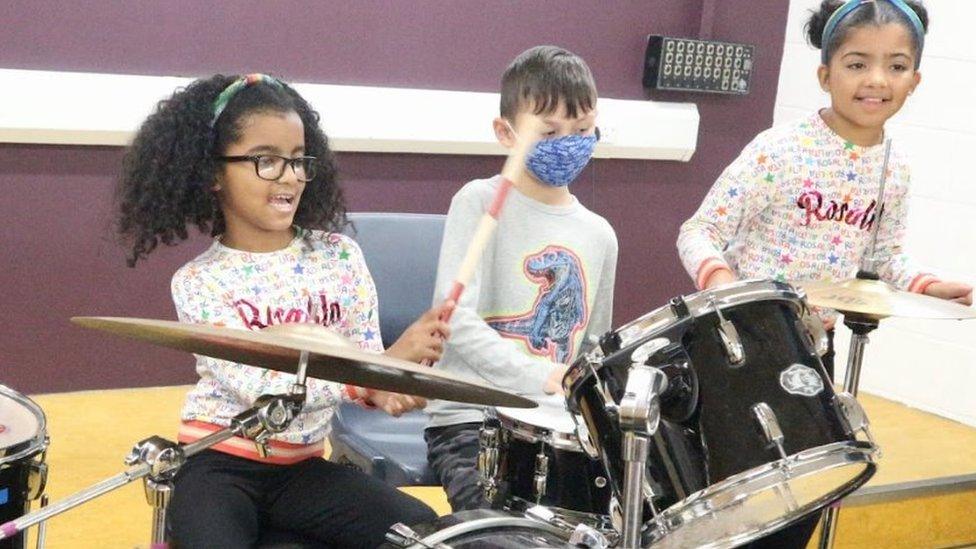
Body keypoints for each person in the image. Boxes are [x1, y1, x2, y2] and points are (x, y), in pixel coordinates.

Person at [677, 1, 971, 547]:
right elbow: (698, 231)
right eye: (858, 63)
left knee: (803, 505)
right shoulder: (779, 150)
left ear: (915, 80)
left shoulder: (895, 168)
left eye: (896, 65)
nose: (877, 80)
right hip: (738, 349)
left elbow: (883, 259)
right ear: (825, 74)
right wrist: (723, 284)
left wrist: (928, 286)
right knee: (729, 513)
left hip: (813, 352)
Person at [115, 73, 448, 548]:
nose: (289, 176)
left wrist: (387, 388)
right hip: (219, 465)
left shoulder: (339, 256)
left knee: (419, 531)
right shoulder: (200, 281)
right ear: (212, 173)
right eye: (265, 161)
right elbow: (262, 386)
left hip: (303, 467)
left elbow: (364, 359)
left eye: (297, 160)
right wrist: (370, 377)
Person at [424, 45, 619, 512]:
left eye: (582, 129)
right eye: (549, 131)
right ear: (505, 133)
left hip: (557, 428)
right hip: (473, 421)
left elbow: (594, 347)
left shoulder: (600, 235)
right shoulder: (479, 201)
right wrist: (545, 377)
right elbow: (456, 323)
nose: (567, 142)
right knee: (500, 536)